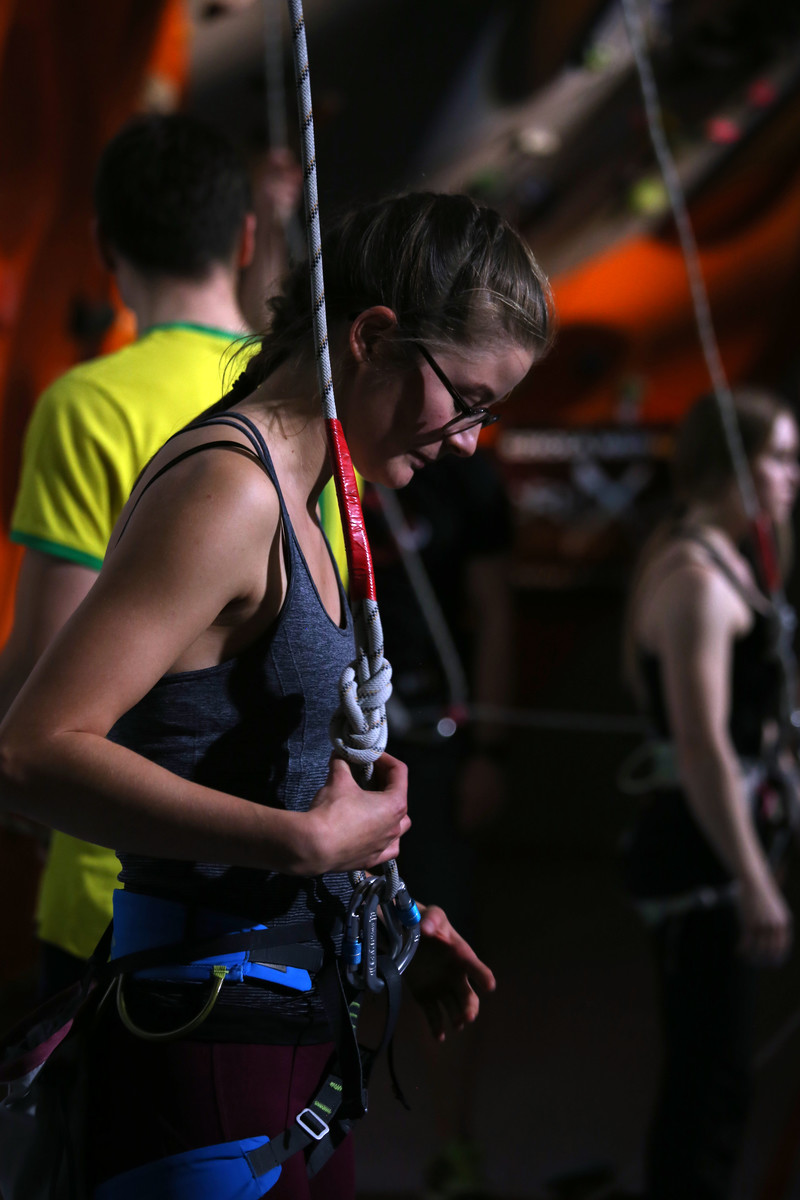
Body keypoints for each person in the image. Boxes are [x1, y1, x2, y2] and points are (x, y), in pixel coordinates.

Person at [0, 191, 552, 1198]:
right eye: (466, 400)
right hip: (200, 1039)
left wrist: (387, 919)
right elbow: (31, 752)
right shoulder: (232, 490)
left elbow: (269, 776)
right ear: (371, 338)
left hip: (285, 1026)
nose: (469, 440)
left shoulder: (307, 490)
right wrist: (304, 846)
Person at [0, 112, 302, 998]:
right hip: (265, 890)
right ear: (245, 238)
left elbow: (45, 662)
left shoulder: (90, 404)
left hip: (115, 884)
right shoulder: (300, 405)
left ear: (104, 244)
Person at [620, 388, 800, 1200]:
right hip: (700, 855)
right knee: (709, 1079)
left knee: (716, 1073)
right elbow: (701, 745)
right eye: (780, 458)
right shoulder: (695, 576)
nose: (793, 476)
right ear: (732, 464)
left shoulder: (722, 557)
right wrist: (754, 881)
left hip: (717, 839)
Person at [363, 447, 514, 1198]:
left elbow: (494, 610)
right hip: (327, 740)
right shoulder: (316, 460)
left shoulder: (466, 480)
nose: (466, 433)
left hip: (429, 743)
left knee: (441, 943)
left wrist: (489, 748)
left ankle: (455, 1144)